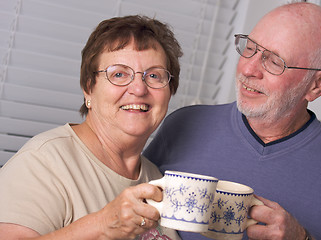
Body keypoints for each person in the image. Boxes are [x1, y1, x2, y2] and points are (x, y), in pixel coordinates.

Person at [144, 2, 321, 240]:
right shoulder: (184, 124)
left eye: (274, 61)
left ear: (317, 85)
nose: (248, 69)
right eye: (250, 48)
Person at [0, 15, 183, 240]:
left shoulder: (155, 177)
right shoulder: (44, 161)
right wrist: (102, 225)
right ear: (89, 88)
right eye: (119, 74)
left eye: (154, 75)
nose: (138, 88)